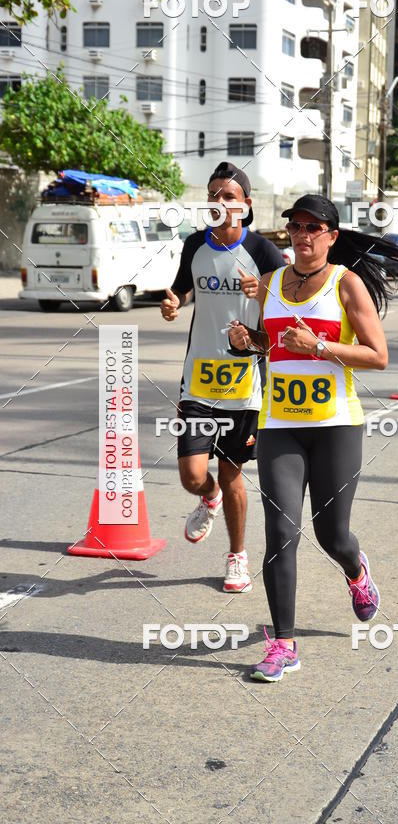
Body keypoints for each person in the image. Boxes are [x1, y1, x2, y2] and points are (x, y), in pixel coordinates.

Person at [229, 195, 398, 680]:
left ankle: (356, 571)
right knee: (281, 533)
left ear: (332, 236)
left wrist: (322, 346)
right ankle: (283, 644)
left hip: (335, 426)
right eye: (296, 226)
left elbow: (378, 356)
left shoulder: (347, 285)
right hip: (280, 427)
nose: (303, 235)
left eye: (314, 227)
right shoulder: (268, 285)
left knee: (333, 536)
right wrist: (248, 342)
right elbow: (273, 342)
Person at [161, 161, 285, 593]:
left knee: (232, 473)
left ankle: (237, 556)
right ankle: (207, 498)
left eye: (228, 196)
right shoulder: (195, 244)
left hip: (243, 384)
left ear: (246, 205)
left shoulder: (265, 254)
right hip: (198, 379)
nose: (219, 202)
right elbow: (181, 288)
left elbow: (283, 326)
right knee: (192, 474)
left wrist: (264, 292)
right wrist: (173, 302)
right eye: (213, 195)